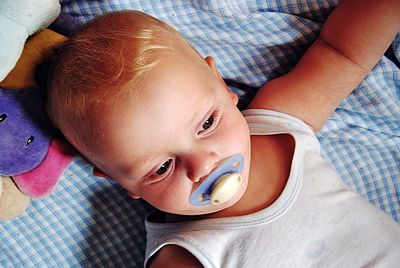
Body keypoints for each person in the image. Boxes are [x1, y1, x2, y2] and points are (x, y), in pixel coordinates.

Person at [46, 0, 400, 267]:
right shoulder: (184, 255)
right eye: (161, 168)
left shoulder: (279, 123)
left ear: (219, 82)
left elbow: (341, 53)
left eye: (207, 124)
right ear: (120, 181)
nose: (202, 166)